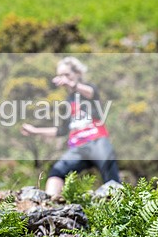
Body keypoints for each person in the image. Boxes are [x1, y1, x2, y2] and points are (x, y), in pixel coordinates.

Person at [20, 57, 120, 199]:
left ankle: (120, 206)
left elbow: (91, 92)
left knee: (110, 173)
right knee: (56, 171)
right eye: (60, 75)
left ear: (77, 73)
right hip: (77, 148)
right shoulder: (67, 103)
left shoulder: (89, 90)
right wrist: (35, 131)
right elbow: (61, 131)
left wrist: (72, 84)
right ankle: (49, 205)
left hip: (97, 141)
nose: (63, 79)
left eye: (67, 74)